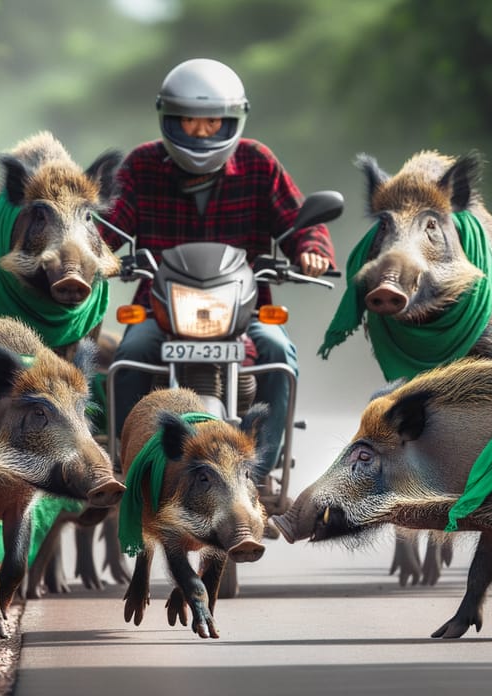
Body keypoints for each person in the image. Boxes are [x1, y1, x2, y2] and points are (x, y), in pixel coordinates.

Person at [99, 58, 336, 500]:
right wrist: (89, 255)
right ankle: (126, 470)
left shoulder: (258, 163)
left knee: (279, 354)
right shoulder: (142, 166)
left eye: (212, 124)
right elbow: (105, 229)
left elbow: (298, 222)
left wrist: (311, 251)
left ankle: (262, 473)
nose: (200, 134)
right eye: (190, 122)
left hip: (243, 312)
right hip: (159, 306)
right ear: (170, 119)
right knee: (127, 358)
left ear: (233, 122)